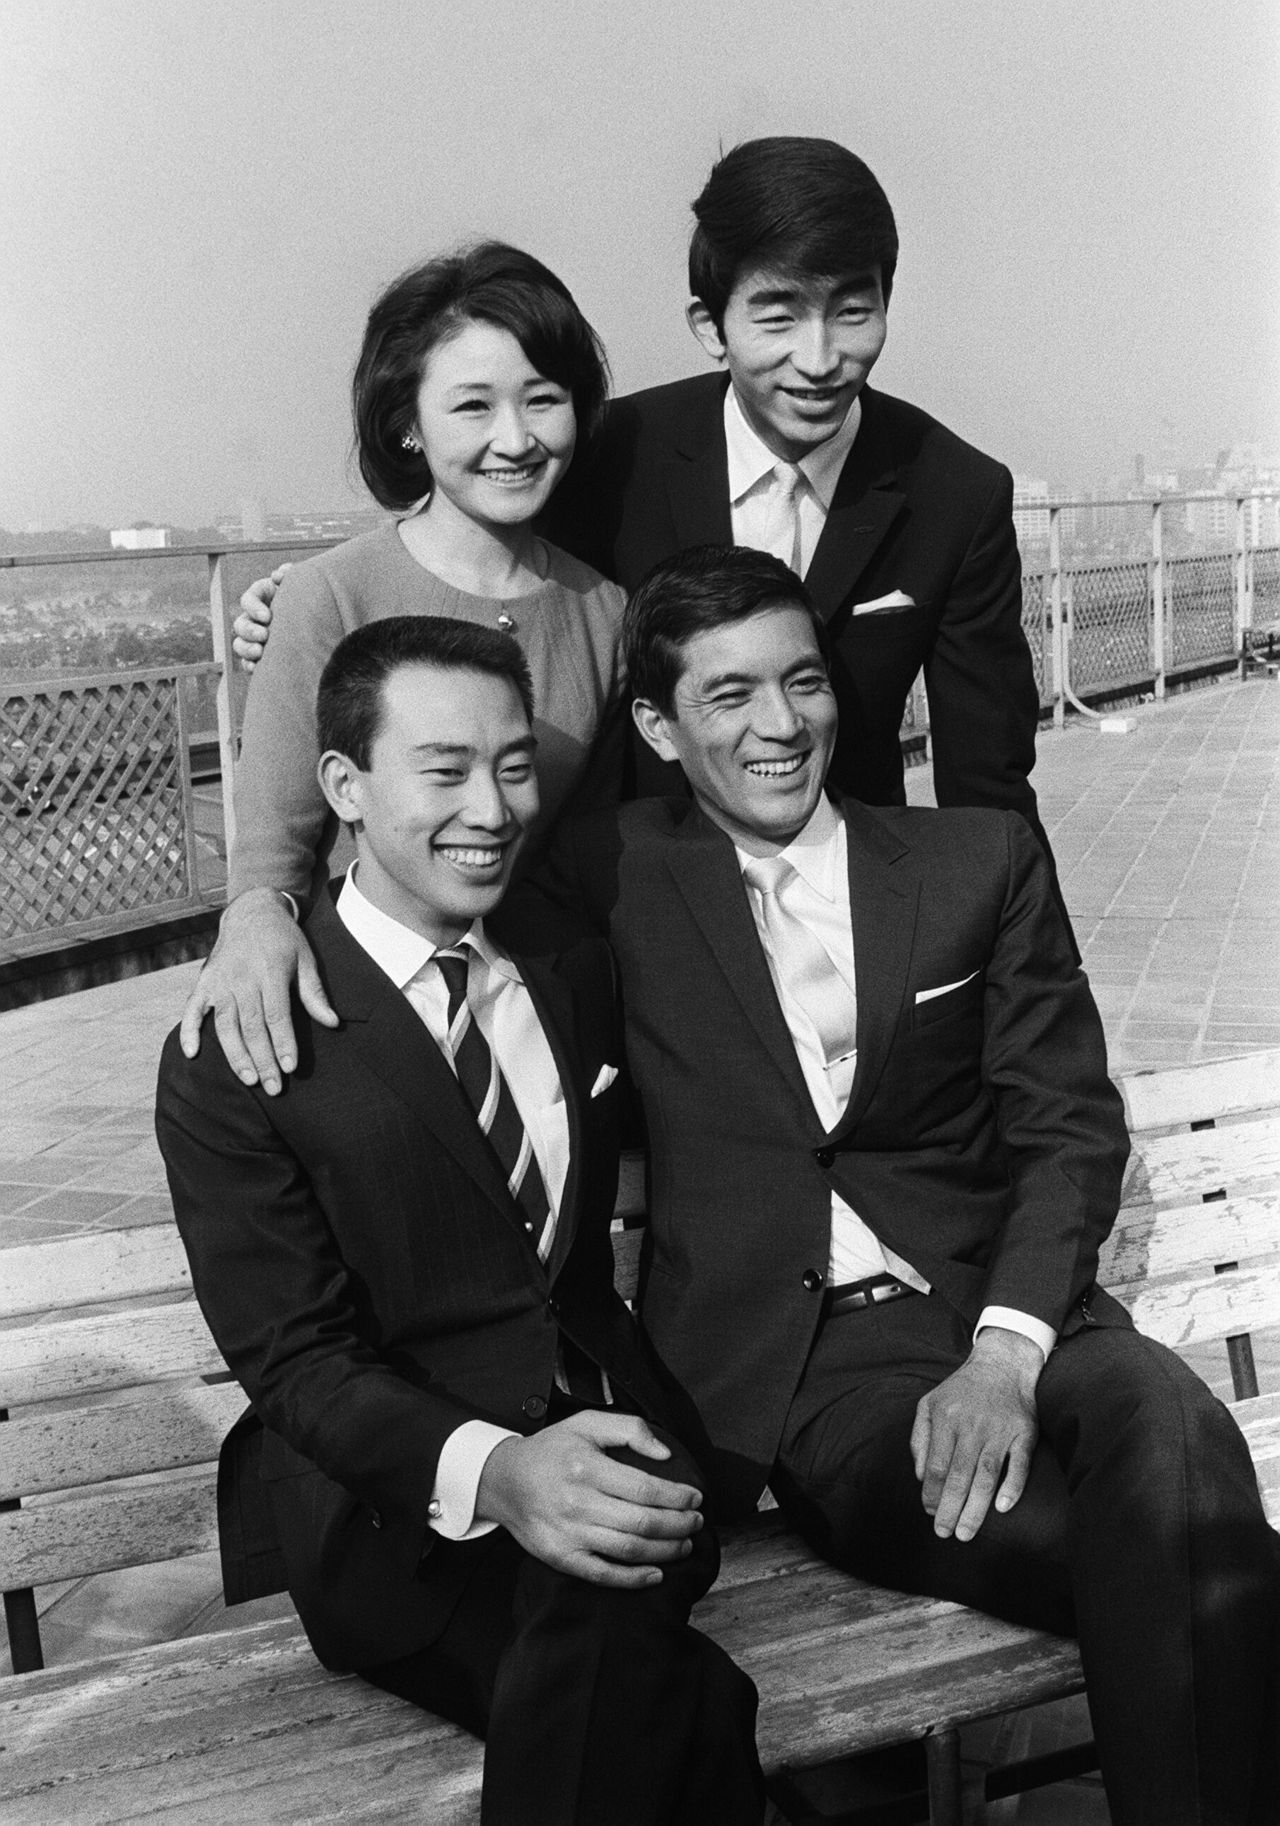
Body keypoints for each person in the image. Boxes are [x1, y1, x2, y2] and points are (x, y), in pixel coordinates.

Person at [514, 545, 1280, 1826]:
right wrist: (260, 907)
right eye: (727, 695)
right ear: (654, 726)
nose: (779, 724)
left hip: (1012, 1314)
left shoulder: (973, 858)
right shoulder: (612, 876)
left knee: (1163, 1412)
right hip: (816, 1379)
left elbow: (1065, 1125)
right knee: (1185, 1558)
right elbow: (436, 834)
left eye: (802, 681)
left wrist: (1005, 1352)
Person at [155, 615, 765, 1826]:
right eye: (443, 770)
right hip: (394, 1520)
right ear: (344, 785)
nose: (490, 808)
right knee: (666, 1684)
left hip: (618, 1451)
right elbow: (297, 1360)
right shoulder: (246, 1042)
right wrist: (503, 1473)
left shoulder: (567, 962)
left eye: (513, 765)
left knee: (621, 1636)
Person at [237, 136, 1044, 835]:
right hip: (635, 902)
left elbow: (991, 784)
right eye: (777, 317)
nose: (820, 357)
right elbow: (473, 547)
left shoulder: (956, 492)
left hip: (850, 892)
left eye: (853, 312)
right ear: (710, 326)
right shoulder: (607, 453)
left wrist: (1024, 963)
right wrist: (301, 603)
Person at [181, 241, 628, 1093]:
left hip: (530, 1015)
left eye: (543, 399)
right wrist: (253, 925)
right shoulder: (327, 595)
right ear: (408, 425)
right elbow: (273, 844)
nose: (516, 439)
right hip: (364, 1015)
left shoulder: (605, 612)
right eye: (473, 406)